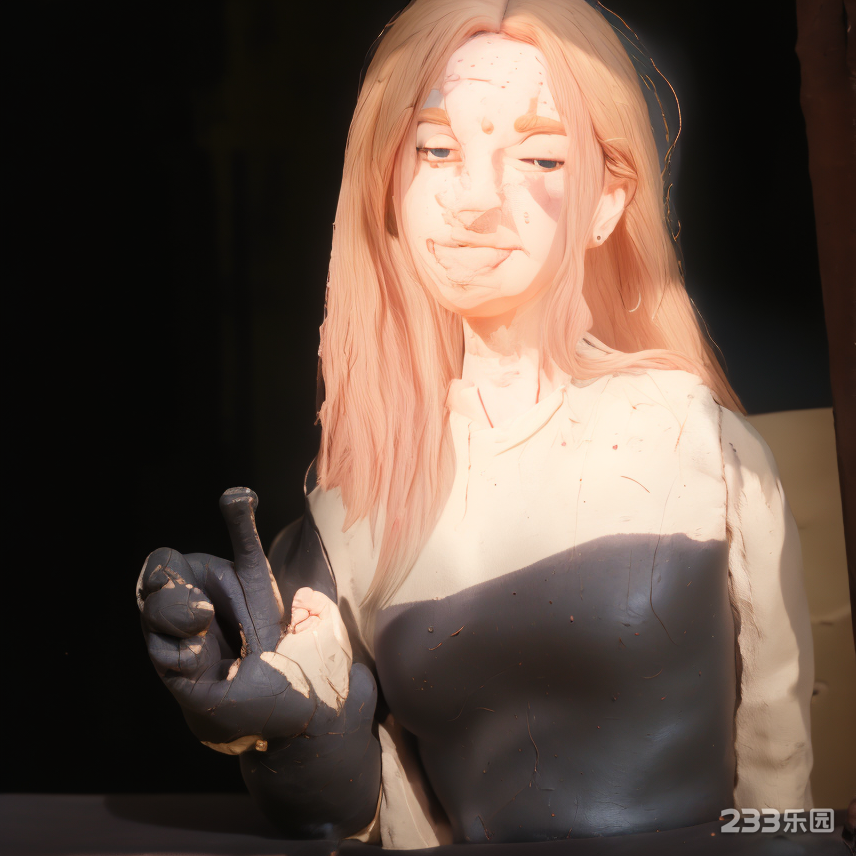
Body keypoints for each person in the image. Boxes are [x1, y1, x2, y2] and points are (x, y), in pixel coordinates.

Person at [137, 0, 815, 847]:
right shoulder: (355, 510)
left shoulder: (696, 445)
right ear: (389, 184)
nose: (477, 199)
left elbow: (782, 754)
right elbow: (343, 812)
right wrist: (272, 722)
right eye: (437, 150)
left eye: (538, 156)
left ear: (609, 199)